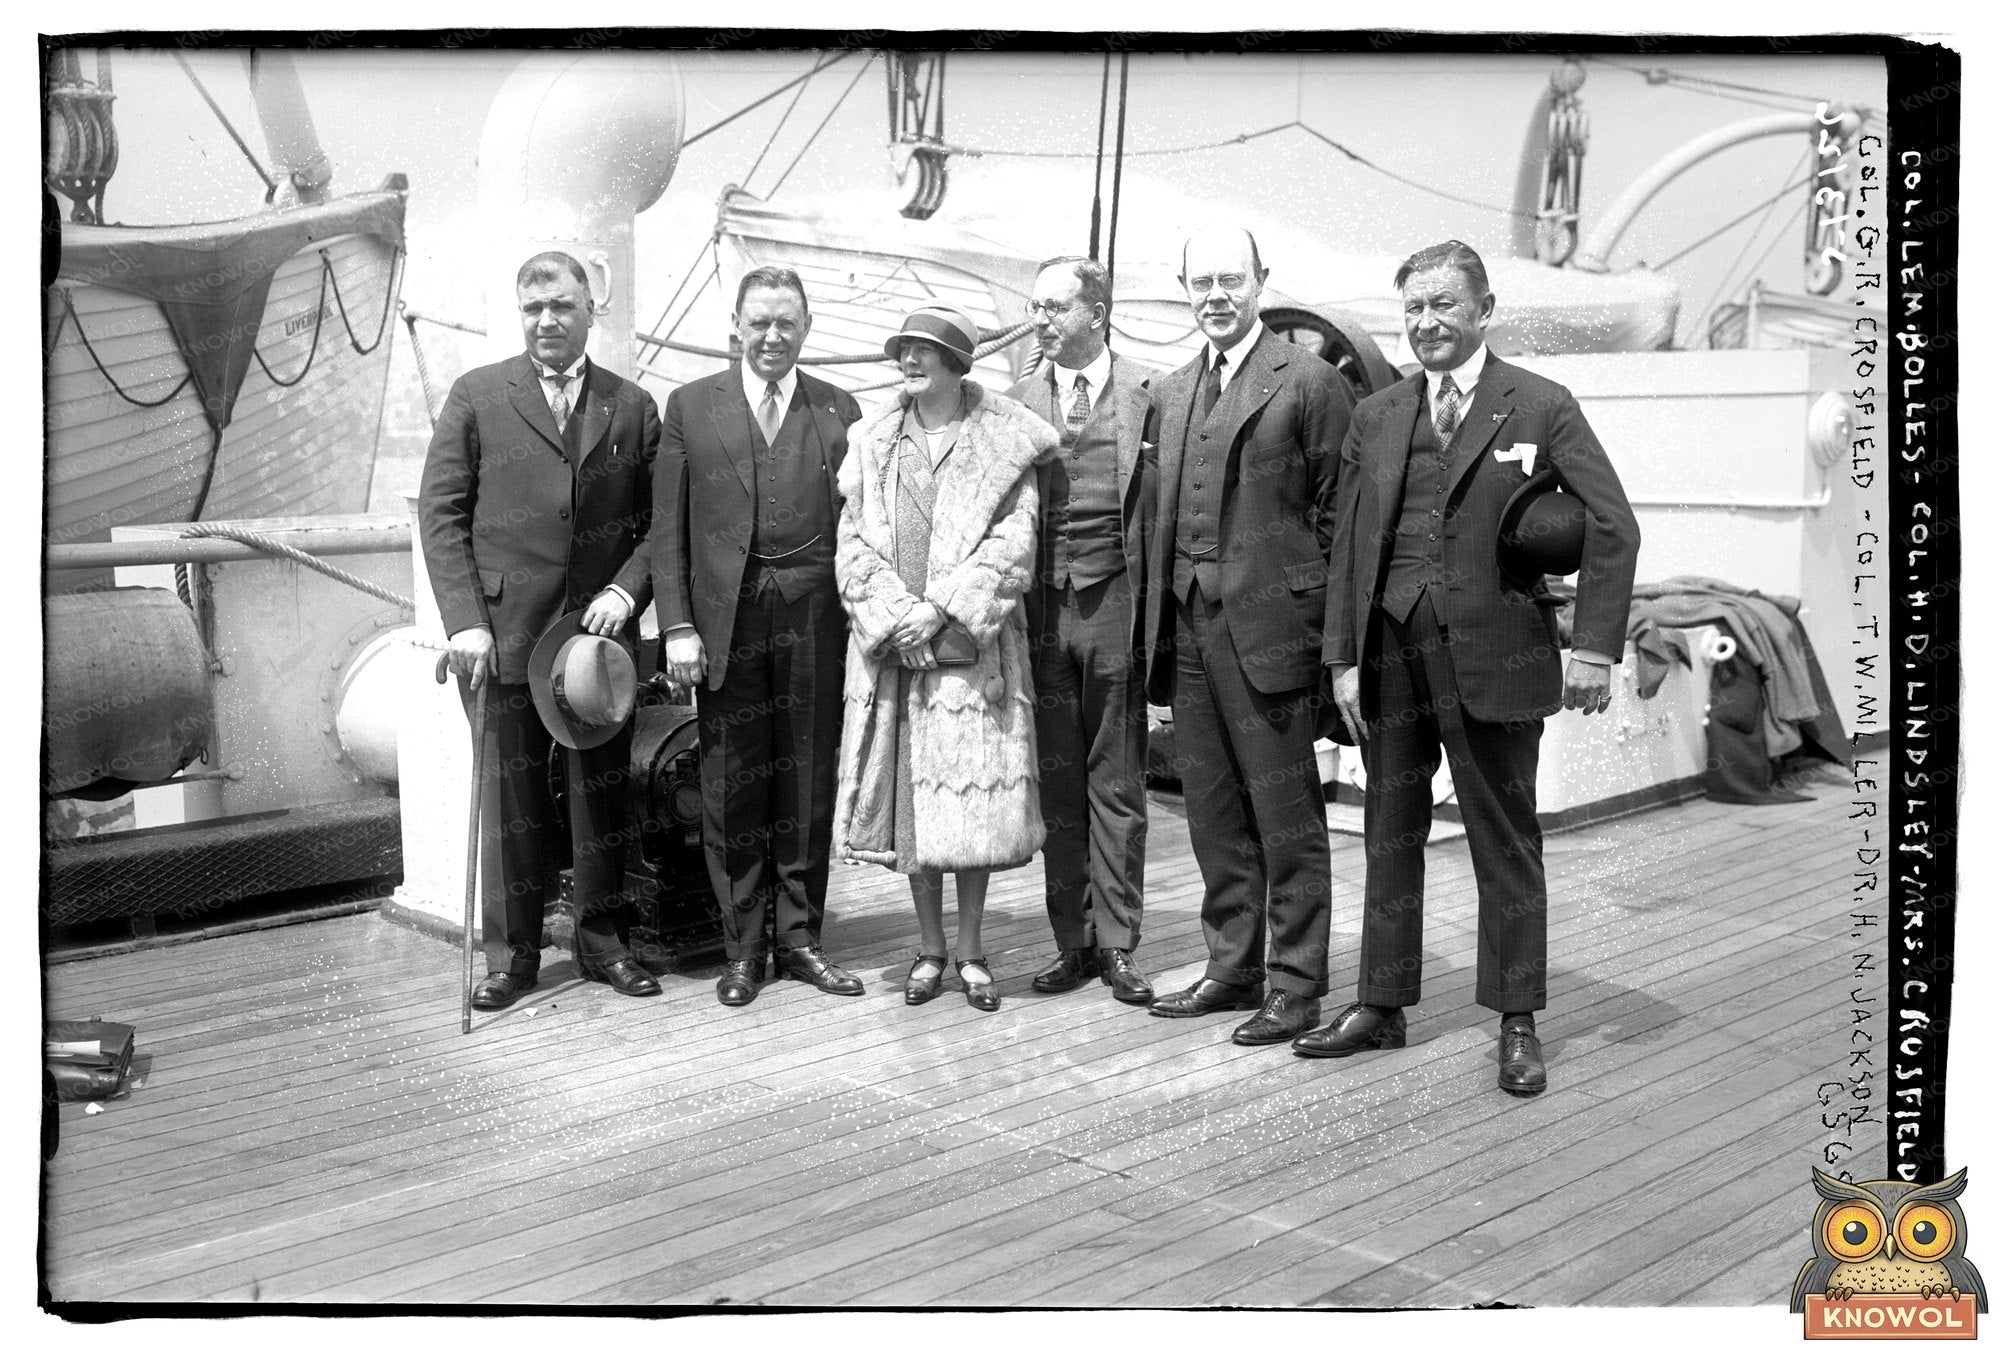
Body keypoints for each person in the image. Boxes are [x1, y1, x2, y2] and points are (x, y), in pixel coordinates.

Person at [1299, 239, 1640, 1096]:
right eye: (1413, 308)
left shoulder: (1541, 405)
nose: (1427, 323)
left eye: (1444, 305)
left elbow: (1612, 526)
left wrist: (1593, 647)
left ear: (1484, 310)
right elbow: (1345, 547)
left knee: (1505, 842)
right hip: (1390, 660)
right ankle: (1381, 1004)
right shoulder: (1377, 415)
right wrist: (1342, 657)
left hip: (1497, 658)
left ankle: (1517, 1018)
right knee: (1389, 834)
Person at [419, 250, 661, 1009]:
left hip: (597, 644)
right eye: (533, 309)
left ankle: (602, 943)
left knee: (600, 793)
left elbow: (662, 526)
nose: (548, 321)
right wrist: (467, 623)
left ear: (592, 311)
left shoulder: (632, 406)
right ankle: (514, 955)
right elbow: (440, 515)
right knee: (512, 797)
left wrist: (627, 591)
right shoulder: (478, 396)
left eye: (561, 306)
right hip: (504, 635)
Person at [1143, 224, 1352, 1047]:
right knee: (1211, 810)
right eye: (1202, 283)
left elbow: (1344, 521)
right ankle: (1232, 967)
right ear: (1184, 289)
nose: (1217, 297)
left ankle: (1296, 984)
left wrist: (1336, 650)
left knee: (1286, 814)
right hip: (1188, 627)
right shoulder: (1169, 389)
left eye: (1233, 279)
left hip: (1273, 630)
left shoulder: (1311, 383)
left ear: (1262, 281)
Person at [654, 266, 866, 1008]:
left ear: (805, 329)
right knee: (731, 783)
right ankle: (743, 948)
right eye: (760, 323)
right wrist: (678, 625)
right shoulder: (688, 407)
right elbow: (666, 529)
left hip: (815, 618)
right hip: (724, 623)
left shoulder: (840, 409)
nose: (773, 337)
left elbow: (862, 531)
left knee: (807, 779)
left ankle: (802, 940)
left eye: (787, 323)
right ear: (735, 328)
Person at [831, 304, 1053, 1013]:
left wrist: (945, 608)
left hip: (971, 651)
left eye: (925, 350)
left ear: (959, 364)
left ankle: (972, 949)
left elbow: (1014, 546)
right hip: (896, 650)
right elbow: (851, 543)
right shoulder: (872, 441)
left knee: (973, 806)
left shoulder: (1003, 442)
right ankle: (929, 950)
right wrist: (897, 616)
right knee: (911, 815)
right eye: (904, 349)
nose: (910, 360)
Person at [1005, 256, 1160, 1007]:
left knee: (1118, 780)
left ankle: (1119, 944)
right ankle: (1073, 941)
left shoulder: (1149, 393)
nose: (1041, 320)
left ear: (1097, 311)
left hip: (1115, 606)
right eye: (1035, 307)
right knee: (1059, 785)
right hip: (1041, 615)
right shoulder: (1017, 399)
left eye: (1055, 307)